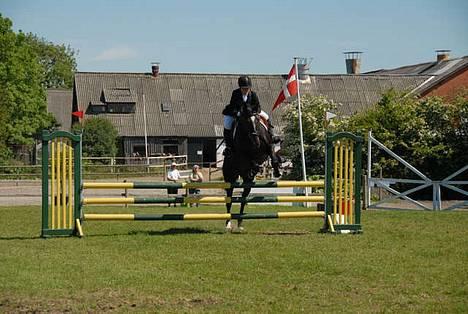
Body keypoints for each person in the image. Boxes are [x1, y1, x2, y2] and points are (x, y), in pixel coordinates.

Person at [222, 75, 281, 176]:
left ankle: (272, 136)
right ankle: (229, 146)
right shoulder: (235, 93)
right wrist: (238, 113)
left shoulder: (253, 94)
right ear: (240, 87)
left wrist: (253, 113)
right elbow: (233, 105)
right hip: (237, 113)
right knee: (227, 123)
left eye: (247, 88)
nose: (245, 90)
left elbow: (257, 107)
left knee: (266, 116)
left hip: (252, 113)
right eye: (244, 88)